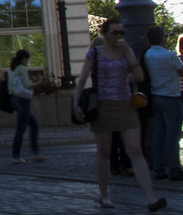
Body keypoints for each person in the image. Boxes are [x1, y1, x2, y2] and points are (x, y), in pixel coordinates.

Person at [72, 19, 167, 211]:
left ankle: (151, 199)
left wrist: (129, 57)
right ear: (105, 34)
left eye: (121, 33)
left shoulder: (127, 51)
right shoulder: (95, 53)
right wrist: (75, 103)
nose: (118, 37)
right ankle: (104, 196)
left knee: (136, 151)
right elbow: (82, 79)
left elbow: (140, 78)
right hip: (103, 106)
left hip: (125, 105)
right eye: (115, 33)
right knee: (104, 152)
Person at [142, 25, 183, 180]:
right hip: (171, 98)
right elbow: (181, 71)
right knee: (172, 135)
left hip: (155, 97)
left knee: (158, 135)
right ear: (163, 38)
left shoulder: (147, 55)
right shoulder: (170, 56)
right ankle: (174, 169)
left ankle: (158, 169)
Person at [8, 49, 44, 164]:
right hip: (24, 101)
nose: (27, 62)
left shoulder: (13, 69)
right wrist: (39, 81)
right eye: (27, 59)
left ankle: (35, 153)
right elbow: (27, 85)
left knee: (33, 125)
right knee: (22, 129)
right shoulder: (22, 68)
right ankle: (17, 155)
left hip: (17, 100)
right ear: (24, 59)